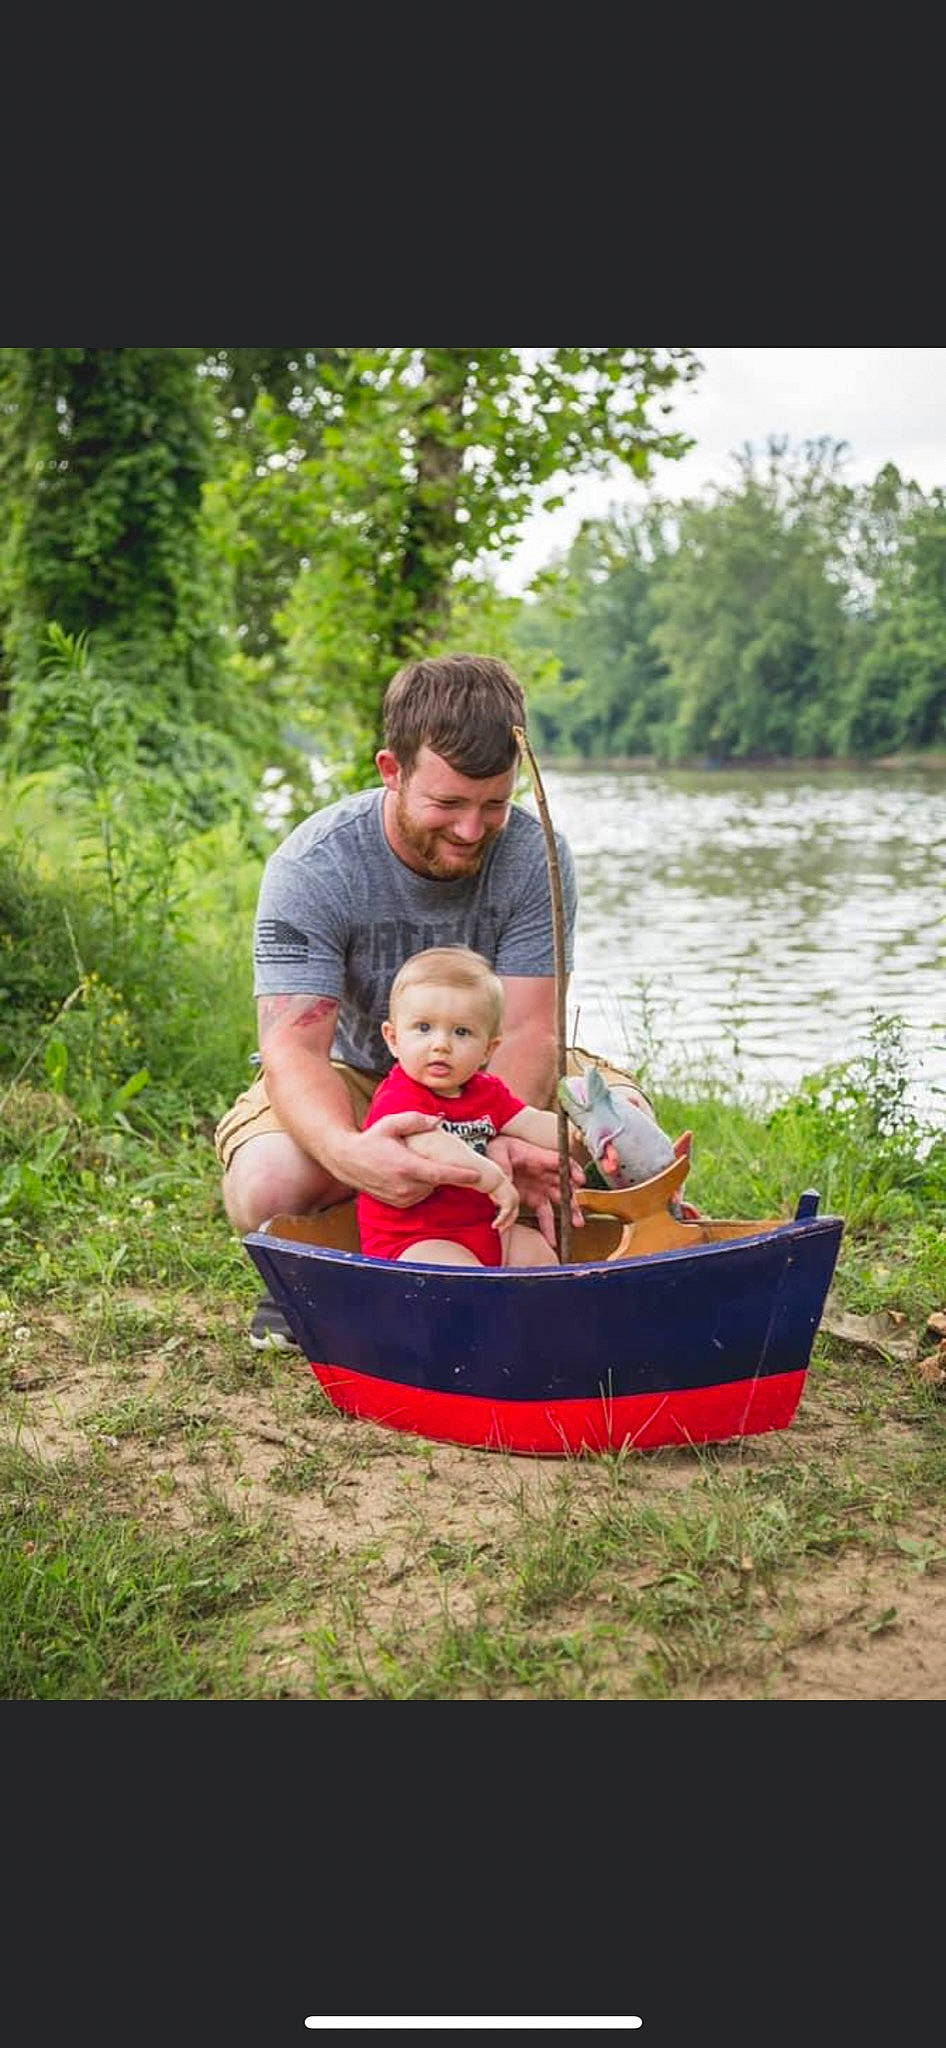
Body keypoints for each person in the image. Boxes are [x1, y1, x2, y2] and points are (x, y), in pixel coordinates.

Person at [213, 651, 657, 1348]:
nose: (472, 830)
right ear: (392, 770)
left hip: (500, 1069)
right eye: (448, 803)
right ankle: (331, 1270)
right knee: (270, 1182)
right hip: (365, 1075)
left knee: (623, 1133)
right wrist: (353, 1152)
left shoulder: (537, 856)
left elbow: (532, 1032)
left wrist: (496, 1135)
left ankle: (550, 1259)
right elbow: (292, 1049)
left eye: (493, 804)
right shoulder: (314, 865)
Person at [357, 947, 562, 1268]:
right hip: (413, 1239)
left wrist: (583, 1132)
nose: (441, 1044)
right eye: (424, 1028)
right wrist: (493, 1180)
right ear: (393, 1038)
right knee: (460, 1274)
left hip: (483, 1228)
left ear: (488, 1049)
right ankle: (482, 1316)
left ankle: (544, 1315)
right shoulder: (400, 1096)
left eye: (461, 1032)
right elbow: (435, 1146)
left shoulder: (486, 1091)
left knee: (535, 1252)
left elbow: (530, 1122)